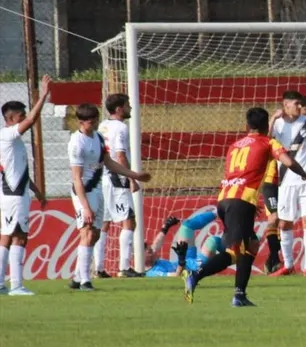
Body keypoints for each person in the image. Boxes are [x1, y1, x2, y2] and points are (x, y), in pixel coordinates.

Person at [184, 107, 306, 306]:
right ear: (265, 126)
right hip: (240, 203)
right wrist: (305, 175)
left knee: (251, 245)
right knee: (236, 251)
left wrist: (249, 203)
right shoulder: (268, 142)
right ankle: (196, 275)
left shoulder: (234, 145)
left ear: (247, 126)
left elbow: (238, 174)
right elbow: (288, 161)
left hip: (226, 199)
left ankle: (240, 295)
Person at [68, 103, 152, 291]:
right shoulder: (76, 142)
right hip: (84, 191)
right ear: (81, 122)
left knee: (95, 234)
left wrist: (134, 175)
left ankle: (76, 277)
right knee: (88, 232)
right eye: (91, 122)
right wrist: (85, 207)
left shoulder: (98, 137)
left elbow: (109, 162)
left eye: (96, 120)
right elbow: (76, 178)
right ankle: (85, 281)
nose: (95, 124)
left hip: (98, 190)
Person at [0, 75, 52, 296]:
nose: (24, 120)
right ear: (10, 119)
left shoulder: (14, 141)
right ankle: (17, 286)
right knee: (19, 236)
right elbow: (31, 120)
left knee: (6, 237)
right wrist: (43, 95)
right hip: (13, 196)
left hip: (14, 194)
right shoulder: (7, 136)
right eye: (19, 117)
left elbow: (18, 171)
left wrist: (37, 192)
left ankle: (1, 284)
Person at [270, 91, 306, 277]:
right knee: (285, 224)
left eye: (300, 104)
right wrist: (272, 119)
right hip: (286, 181)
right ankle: (288, 265)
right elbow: (265, 141)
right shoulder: (277, 124)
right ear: (285, 105)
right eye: (296, 104)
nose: (299, 107)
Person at [95, 93, 143, 278]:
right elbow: (121, 155)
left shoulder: (102, 126)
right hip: (117, 178)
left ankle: (99, 268)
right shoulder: (121, 128)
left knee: (104, 223)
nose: (130, 108)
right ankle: (124, 267)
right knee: (129, 220)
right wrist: (131, 178)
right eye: (127, 105)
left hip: (104, 178)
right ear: (119, 109)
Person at [142, 214, 224, 277]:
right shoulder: (153, 273)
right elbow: (177, 276)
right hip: (193, 268)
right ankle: (233, 253)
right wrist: (181, 261)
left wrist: (165, 228)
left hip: (186, 260)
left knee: (186, 227)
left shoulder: (150, 260)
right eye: (149, 251)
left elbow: (156, 245)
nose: (153, 250)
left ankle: (219, 212)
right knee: (213, 241)